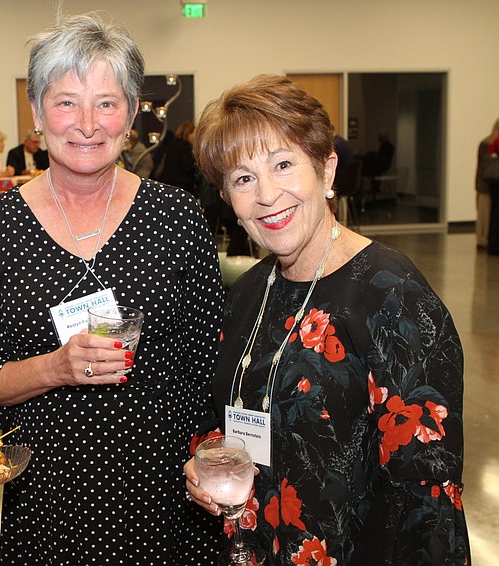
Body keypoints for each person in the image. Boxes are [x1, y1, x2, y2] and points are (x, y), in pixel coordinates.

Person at [0, 13, 224, 564]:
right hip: (50, 502)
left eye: (107, 102)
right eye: (65, 101)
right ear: (35, 112)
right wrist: (55, 366)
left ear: (130, 115)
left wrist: (215, 461)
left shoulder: (178, 217)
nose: (87, 123)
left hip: (166, 498)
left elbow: (207, 369)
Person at [186, 74, 470, 564]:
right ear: (230, 201)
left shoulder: (391, 294)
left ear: (327, 168)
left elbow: (427, 495)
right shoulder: (250, 291)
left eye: (283, 164)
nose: (268, 195)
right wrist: (206, 459)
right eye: (243, 178)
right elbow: (227, 409)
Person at [157, 120, 198, 196]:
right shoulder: (186, 147)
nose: (195, 136)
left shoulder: (172, 145)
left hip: (169, 183)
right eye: (194, 133)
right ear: (187, 133)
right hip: (183, 185)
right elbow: (188, 167)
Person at [477, 118, 499, 250]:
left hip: (490, 184)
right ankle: (484, 240)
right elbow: (484, 167)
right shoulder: (487, 144)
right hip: (487, 185)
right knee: (486, 215)